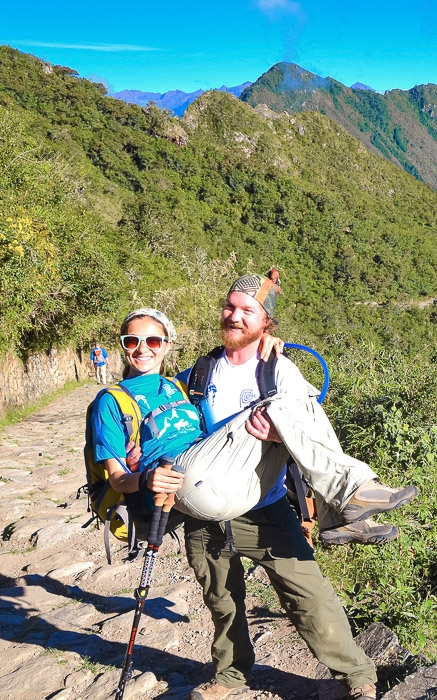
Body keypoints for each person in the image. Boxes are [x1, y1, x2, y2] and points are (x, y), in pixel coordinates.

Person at [90, 299, 413, 700]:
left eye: (153, 339)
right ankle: (229, 676)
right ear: (122, 345)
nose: (143, 348)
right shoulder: (184, 380)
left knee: (310, 595)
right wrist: (144, 475)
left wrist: (271, 354)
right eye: (132, 340)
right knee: (222, 600)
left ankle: (357, 677)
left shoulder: (207, 378)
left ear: (168, 344)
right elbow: (118, 475)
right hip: (199, 506)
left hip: (264, 504)